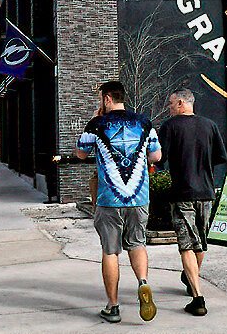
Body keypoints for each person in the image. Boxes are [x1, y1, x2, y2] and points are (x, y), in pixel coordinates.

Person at [74, 81, 162, 323]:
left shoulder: (97, 124)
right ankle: (143, 282)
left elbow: (80, 153)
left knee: (110, 251)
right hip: (139, 197)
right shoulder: (144, 122)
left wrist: (93, 122)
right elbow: (156, 155)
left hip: (109, 199)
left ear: (106, 99)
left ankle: (113, 306)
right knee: (137, 243)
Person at [156, 89, 226, 317]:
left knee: (187, 244)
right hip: (206, 191)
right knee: (201, 241)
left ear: (180, 103)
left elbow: (160, 158)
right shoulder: (210, 125)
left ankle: (198, 299)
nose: (169, 107)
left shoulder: (169, 126)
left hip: (182, 192)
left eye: (170, 103)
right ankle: (189, 276)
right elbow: (220, 157)